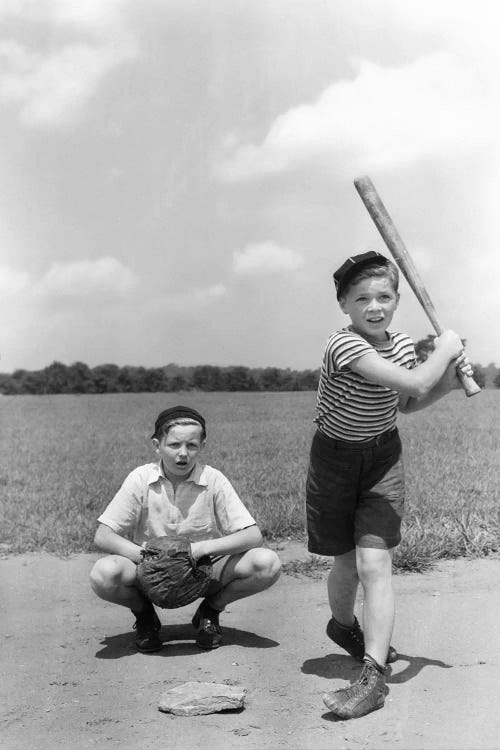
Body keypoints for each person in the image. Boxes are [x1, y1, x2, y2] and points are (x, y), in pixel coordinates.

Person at [306, 251, 474, 719]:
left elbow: (408, 401)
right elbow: (419, 382)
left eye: (384, 296)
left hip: (382, 457)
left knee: (374, 563)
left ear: (398, 300)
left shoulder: (399, 344)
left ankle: (373, 676)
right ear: (343, 303)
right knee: (345, 563)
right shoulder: (344, 346)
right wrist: (444, 349)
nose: (374, 306)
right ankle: (342, 626)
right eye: (362, 298)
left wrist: (451, 385)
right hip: (334, 461)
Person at [90, 405, 281, 653]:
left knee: (268, 563)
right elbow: (103, 535)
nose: (183, 454)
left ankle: (210, 612)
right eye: (174, 445)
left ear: (202, 446)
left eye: (191, 446)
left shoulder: (213, 479)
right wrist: (146, 557)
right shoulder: (140, 478)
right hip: (148, 570)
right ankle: (145, 616)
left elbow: (253, 535)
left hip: (203, 567)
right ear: (157, 445)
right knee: (103, 574)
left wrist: (201, 549)